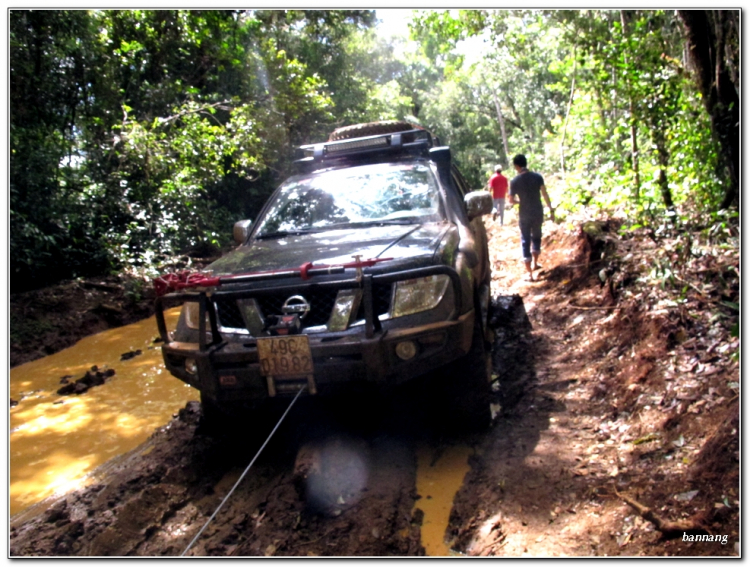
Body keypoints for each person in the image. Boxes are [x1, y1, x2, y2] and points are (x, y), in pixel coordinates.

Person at [508, 154, 555, 281]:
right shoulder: (537, 177)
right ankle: (535, 263)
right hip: (538, 211)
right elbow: (545, 194)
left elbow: (511, 200)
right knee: (536, 236)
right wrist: (551, 209)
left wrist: (520, 202)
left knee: (525, 240)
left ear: (516, 166)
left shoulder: (515, 181)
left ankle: (529, 274)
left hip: (524, 213)